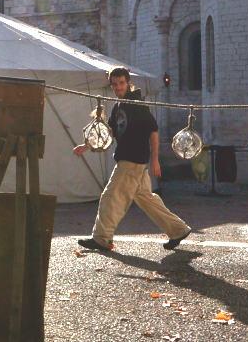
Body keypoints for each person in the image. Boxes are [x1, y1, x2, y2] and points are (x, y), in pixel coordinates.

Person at [74, 67, 191, 251]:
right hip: (131, 161)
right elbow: (109, 132)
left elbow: (153, 130)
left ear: (128, 83)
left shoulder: (137, 104)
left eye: (121, 83)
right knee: (147, 199)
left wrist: (155, 160)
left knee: (110, 197)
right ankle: (179, 230)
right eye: (114, 84)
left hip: (132, 160)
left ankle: (101, 238)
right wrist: (87, 146)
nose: (118, 87)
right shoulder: (118, 106)